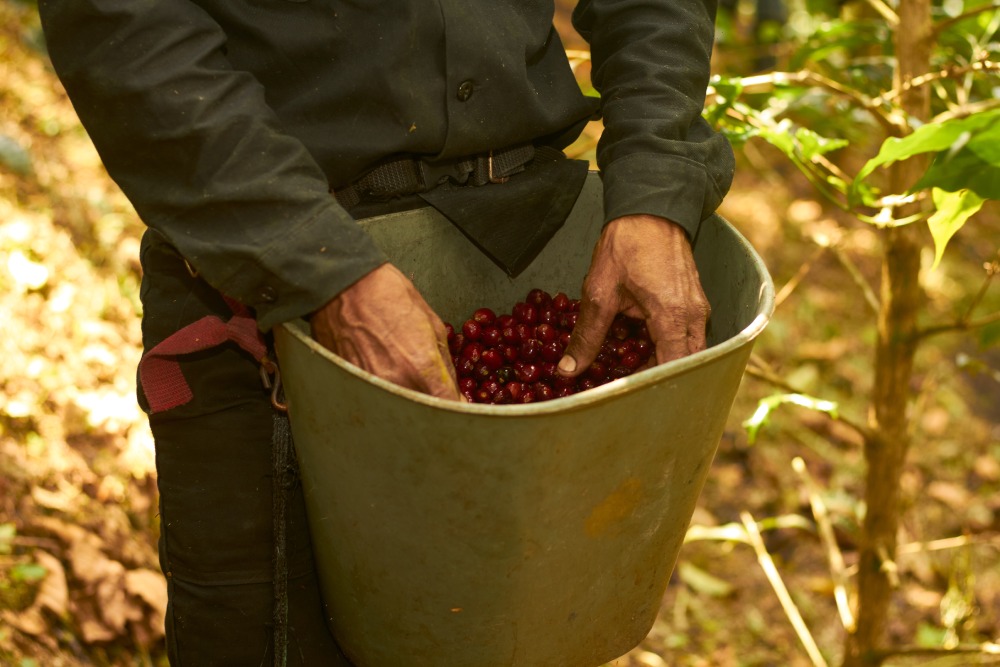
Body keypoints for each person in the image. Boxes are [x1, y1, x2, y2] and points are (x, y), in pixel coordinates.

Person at [38, 1, 734, 664]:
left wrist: (654, 182)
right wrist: (320, 266)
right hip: (265, 282)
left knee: (518, 633)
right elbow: (122, 25)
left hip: (528, 238)